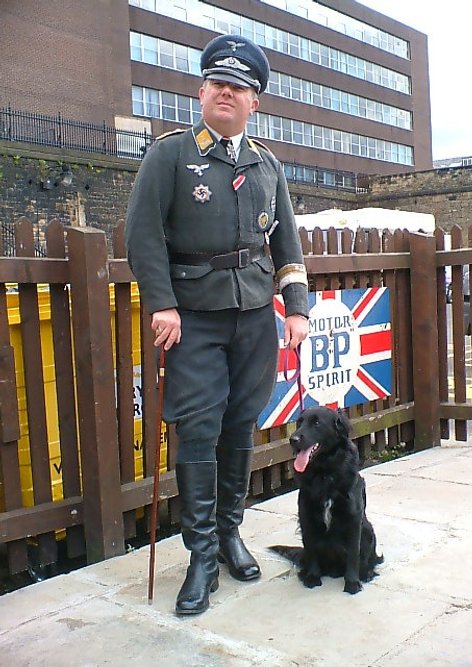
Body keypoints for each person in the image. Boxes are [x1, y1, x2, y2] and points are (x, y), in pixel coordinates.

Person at [125, 34, 309, 616]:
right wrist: (161, 303)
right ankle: (200, 554)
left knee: (239, 425)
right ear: (201, 91)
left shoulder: (267, 164)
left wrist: (298, 308)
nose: (227, 93)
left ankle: (230, 533)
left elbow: (286, 244)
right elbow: (143, 235)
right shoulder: (170, 155)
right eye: (218, 84)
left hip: (254, 315)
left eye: (240, 87)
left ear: (255, 102)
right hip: (194, 318)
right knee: (199, 430)